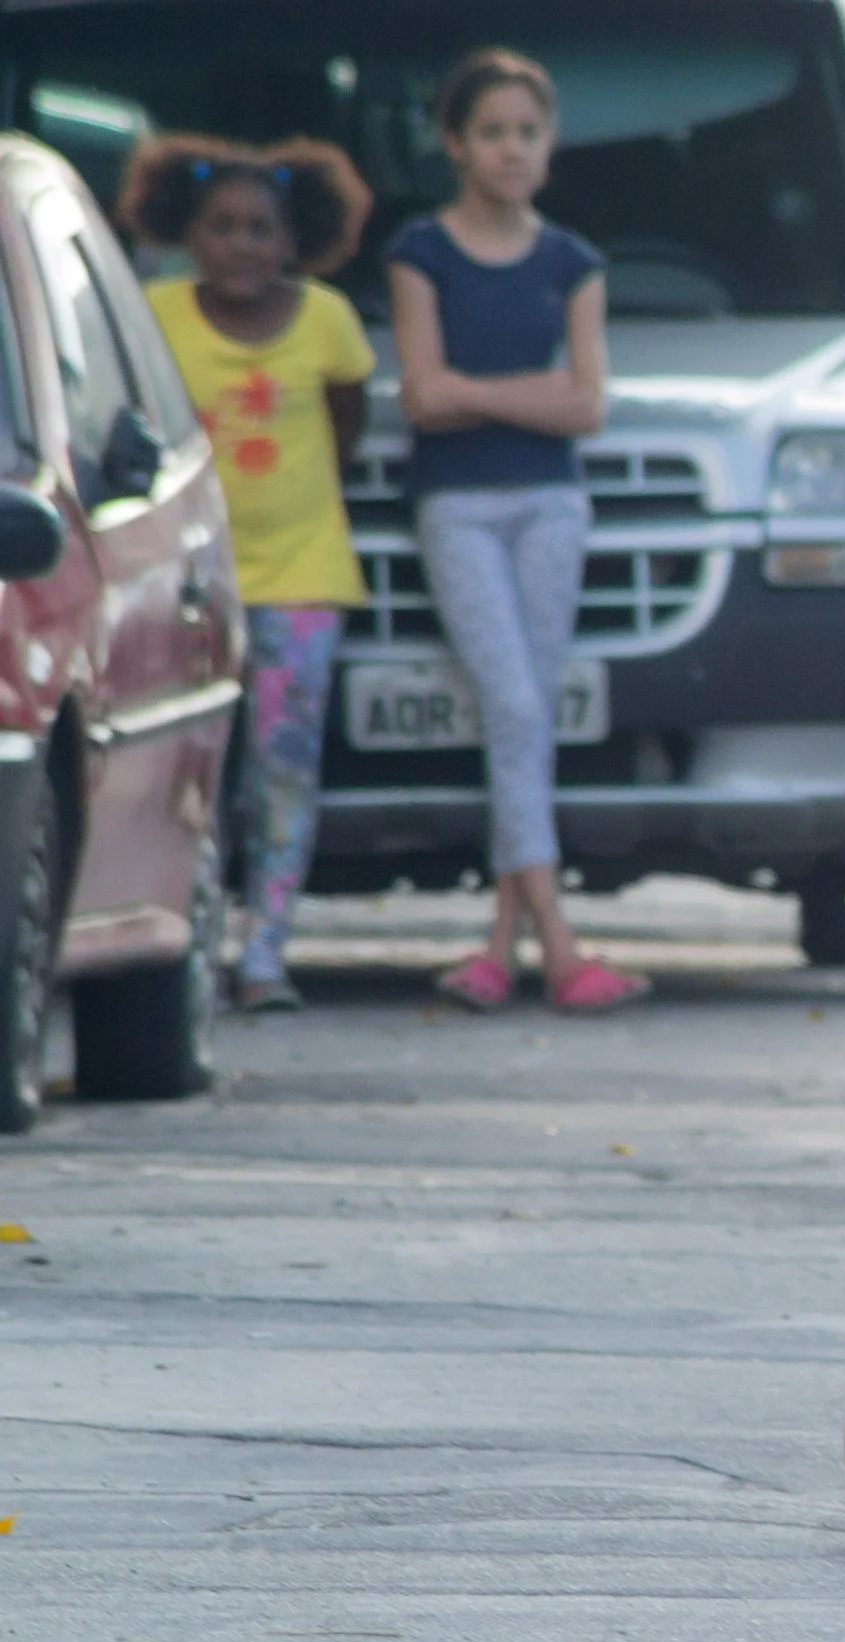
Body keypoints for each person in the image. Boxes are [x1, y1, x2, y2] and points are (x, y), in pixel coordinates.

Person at [388, 47, 645, 1013]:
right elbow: (421, 398)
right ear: (456, 144)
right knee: (517, 704)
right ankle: (562, 944)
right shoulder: (422, 251)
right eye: (492, 132)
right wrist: (527, 393)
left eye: (527, 133)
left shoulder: (571, 263)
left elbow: (585, 409)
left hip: (551, 506)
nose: (512, 150)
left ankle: (499, 946)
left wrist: (476, 394)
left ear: (549, 146)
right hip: (457, 505)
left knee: (526, 709)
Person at [124, 136, 376, 1013]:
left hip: (301, 580)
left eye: (261, 229)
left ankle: (265, 949)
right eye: (222, 227)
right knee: (183, 772)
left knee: (284, 771)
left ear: (294, 238)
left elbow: (347, 426)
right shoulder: (154, 315)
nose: (242, 245)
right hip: (185, 584)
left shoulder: (327, 322)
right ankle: (178, 941)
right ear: (185, 232)